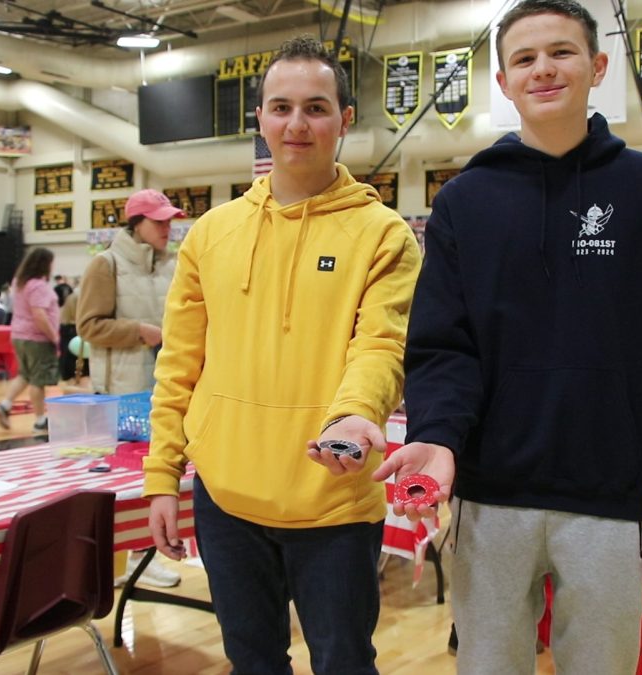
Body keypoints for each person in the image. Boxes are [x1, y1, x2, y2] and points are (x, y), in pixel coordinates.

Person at [371, 2, 642, 671]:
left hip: (609, 501)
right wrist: (439, 438)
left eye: (561, 52)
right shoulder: (464, 201)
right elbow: (443, 344)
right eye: (524, 59)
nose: (544, 69)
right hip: (489, 498)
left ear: (598, 67)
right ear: (503, 83)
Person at [143, 35, 421, 674]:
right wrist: (163, 475)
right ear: (261, 118)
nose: (297, 124)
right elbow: (179, 364)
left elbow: (380, 346)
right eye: (281, 107)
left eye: (317, 107)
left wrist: (354, 415)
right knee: (253, 663)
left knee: (343, 663)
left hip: (334, 494)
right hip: (226, 499)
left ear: (346, 120)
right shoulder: (213, 232)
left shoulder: (382, 235)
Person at [77, 188, 185, 589]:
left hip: (166, 383)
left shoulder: (172, 265)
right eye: (158, 221)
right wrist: (140, 332)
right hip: (122, 390)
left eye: (169, 221)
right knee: (124, 478)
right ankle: (128, 557)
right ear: (135, 223)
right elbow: (88, 326)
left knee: (159, 471)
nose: (167, 229)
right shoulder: (105, 265)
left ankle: (143, 553)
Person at [0, 248, 60, 436]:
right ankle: (40, 421)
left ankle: (5, 405)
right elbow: (39, 315)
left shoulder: (19, 283)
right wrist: (54, 336)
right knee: (39, 379)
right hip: (37, 338)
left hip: (19, 335)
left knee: (25, 374)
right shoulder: (38, 286)